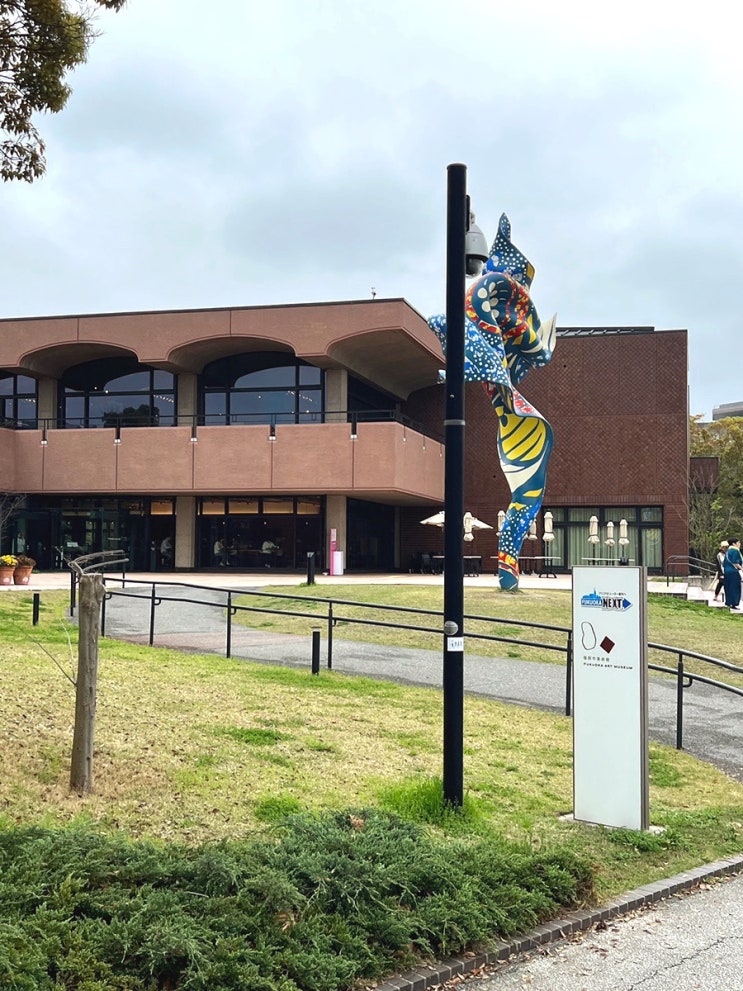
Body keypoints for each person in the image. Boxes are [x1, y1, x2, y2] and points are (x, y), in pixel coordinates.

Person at [722, 538, 743, 612]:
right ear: (734, 543)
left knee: (728, 587)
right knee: (735, 587)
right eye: (738, 542)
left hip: (727, 572)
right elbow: (735, 562)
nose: (739, 544)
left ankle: (728, 602)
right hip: (733, 572)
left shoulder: (728, 551)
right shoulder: (735, 551)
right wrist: (741, 568)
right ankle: (733, 603)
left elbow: (724, 563)